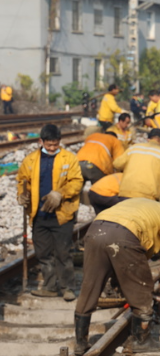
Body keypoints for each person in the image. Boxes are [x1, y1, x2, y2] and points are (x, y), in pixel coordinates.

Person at [73, 199, 160, 355]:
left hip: (95, 229)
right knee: (142, 287)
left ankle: (80, 343)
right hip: (124, 235)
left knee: (89, 286)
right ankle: (141, 341)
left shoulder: (147, 206)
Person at [16, 124, 83, 301]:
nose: (52, 148)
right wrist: (22, 195)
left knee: (63, 253)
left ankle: (68, 287)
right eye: (49, 144)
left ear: (59, 142)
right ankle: (50, 286)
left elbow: (77, 182)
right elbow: (22, 180)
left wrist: (60, 193)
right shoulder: (30, 160)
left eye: (55, 144)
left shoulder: (69, 159)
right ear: (41, 141)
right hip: (39, 215)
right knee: (43, 254)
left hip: (62, 215)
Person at [114, 129, 160, 203]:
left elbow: (117, 164)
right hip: (148, 198)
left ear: (148, 139)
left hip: (125, 194)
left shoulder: (134, 148)